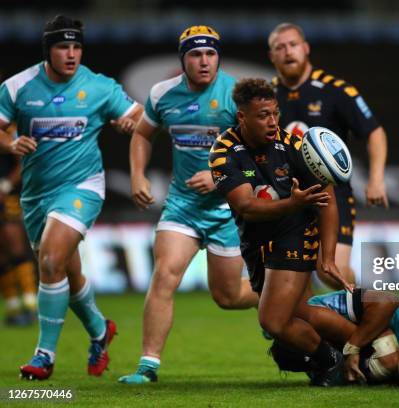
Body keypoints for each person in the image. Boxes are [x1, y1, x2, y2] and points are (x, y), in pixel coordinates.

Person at [0, 15, 143, 380]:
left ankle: (44, 355)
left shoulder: (98, 87)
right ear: (48, 50)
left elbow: (138, 114)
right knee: (65, 269)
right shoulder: (18, 87)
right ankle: (99, 330)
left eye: (77, 46)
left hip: (81, 188)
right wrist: (10, 142)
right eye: (63, 46)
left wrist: (130, 122)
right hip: (36, 196)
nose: (71, 54)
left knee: (49, 260)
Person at [118, 25, 259, 385]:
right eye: (195, 54)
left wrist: (220, 177)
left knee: (227, 297)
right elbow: (142, 134)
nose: (204, 61)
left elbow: (263, 156)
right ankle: (148, 366)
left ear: (218, 57)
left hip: (228, 209)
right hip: (182, 206)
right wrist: (137, 175)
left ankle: (270, 296)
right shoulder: (163, 94)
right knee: (164, 274)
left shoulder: (237, 95)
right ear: (183, 60)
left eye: (210, 53)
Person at [209, 78, 349, 386]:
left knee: (272, 319)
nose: (272, 121)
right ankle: (363, 343)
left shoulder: (296, 146)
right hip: (256, 245)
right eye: (262, 115)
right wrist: (292, 202)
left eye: (275, 113)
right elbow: (245, 206)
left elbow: (327, 198)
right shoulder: (223, 152)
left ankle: (332, 360)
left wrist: (328, 256)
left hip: (297, 234)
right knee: (299, 312)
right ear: (242, 117)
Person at [268, 23, 389, 287]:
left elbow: (375, 133)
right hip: (287, 197)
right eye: (280, 47)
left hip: (331, 196)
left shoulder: (335, 90)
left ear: (306, 48)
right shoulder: (266, 97)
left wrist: (376, 179)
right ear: (272, 56)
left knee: (331, 271)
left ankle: (379, 315)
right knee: (286, 282)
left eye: (293, 44)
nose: (288, 52)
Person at [0, 136, 37, 326]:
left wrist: (5, 185)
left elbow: (22, 162)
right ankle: (13, 306)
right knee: (2, 255)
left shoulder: (9, 130)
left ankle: (31, 304)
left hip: (7, 197)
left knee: (16, 249)